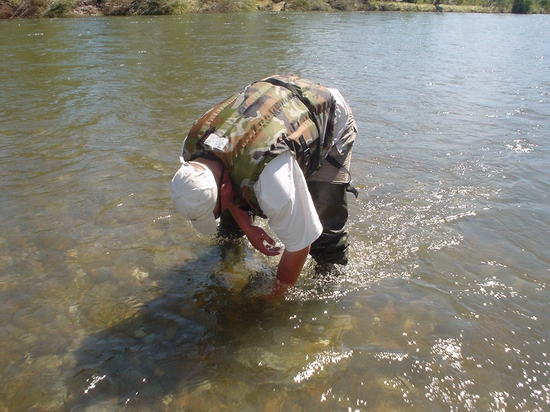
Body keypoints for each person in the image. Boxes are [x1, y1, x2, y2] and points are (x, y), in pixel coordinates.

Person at [171, 75, 357, 295]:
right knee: (232, 220)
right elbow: (225, 185)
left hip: (329, 118)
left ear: (224, 189)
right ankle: (228, 249)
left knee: (324, 229)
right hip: (275, 111)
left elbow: (300, 245)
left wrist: (274, 298)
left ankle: (330, 287)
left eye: (214, 212)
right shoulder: (193, 149)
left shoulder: (272, 180)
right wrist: (247, 227)